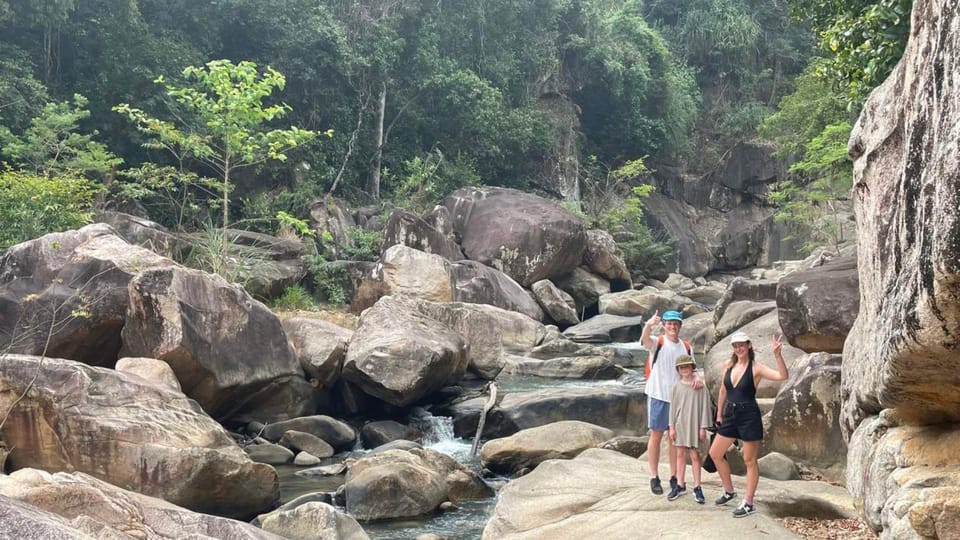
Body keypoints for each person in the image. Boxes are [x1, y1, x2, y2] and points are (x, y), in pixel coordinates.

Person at [708, 331, 788, 517]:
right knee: (715, 453)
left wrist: (777, 355)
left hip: (748, 416)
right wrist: (719, 413)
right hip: (730, 415)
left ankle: (749, 502)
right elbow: (722, 390)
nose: (739, 348)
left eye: (742, 345)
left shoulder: (756, 368)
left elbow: (782, 376)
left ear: (749, 345)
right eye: (735, 346)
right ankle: (729, 491)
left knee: (749, 460)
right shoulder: (728, 365)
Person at [640, 309, 702, 495]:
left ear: (680, 326)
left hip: (679, 399)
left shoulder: (686, 346)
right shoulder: (658, 343)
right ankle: (654, 476)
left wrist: (698, 377)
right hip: (658, 395)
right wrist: (649, 325)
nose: (672, 327)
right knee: (656, 435)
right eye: (669, 323)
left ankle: (674, 476)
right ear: (664, 326)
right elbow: (644, 341)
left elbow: (692, 368)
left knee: (675, 439)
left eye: (675, 324)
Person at [667, 354, 713, 504]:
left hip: (694, 425)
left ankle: (698, 487)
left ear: (692, 368)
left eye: (687, 366)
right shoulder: (676, 387)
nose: (684, 369)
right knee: (680, 454)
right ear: (678, 370)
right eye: (681, 367)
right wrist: (671, 427)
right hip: (680, 425)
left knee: (694, 456)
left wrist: (703, 427)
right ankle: (680, 485)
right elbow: (672, 409)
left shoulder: (700, 387)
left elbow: (706, 407)